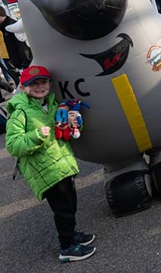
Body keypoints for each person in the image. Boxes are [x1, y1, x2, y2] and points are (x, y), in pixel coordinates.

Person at [5, 65, 96, 263]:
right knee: (63, 209)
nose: (39, 87)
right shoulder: (20, 112)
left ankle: (71, 234)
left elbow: (61, 130)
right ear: (23, 88)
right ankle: (67, 247)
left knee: (70, 204)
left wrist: (74, 122)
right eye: (33, 84)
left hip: (61, 164)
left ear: (50, 84)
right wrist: (36, 135)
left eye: (43, 82)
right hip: (45, 170)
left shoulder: (54, 105)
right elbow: (13, 145)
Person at [0, 5, 32, 70]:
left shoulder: (12, 26)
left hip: (23, 65)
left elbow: (23, 47)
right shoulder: (5, 27)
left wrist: (26, 67)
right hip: (17, 63)